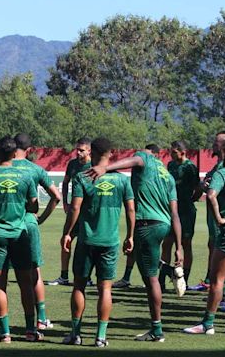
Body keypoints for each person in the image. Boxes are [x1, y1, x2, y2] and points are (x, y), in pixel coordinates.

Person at [85, 143, 183, 342]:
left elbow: (135, 160)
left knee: (150, 280)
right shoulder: (167, 175)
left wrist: (105, 168)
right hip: (163, 225)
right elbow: (175, 213)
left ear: (152, 154)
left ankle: (157, 330)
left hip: (146, 224)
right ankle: (168, 270)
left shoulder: (144, 158)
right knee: (147, 264)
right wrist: (179, 247)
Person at [0, 133, 61, 331]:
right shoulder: (33, 170)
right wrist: (39, 219)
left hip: (0, 227)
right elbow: (55, 197)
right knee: (33, 274)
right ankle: (39, 319)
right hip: (26, 226)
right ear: (27, 150)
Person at [62, 137, 135, 347]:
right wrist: (130, 236)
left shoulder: (82, 177)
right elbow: (131, 209)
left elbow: (75, 208)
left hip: (86, 240)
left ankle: (76, 335)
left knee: (79, 286)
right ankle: (101, 337)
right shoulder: (122, 180)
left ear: (91, 152)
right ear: (111, 153)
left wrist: (67, 233)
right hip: (110, 242)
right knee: (105, 289)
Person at [183, 135, 225, 335]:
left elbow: (210, 195)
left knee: (217, 278)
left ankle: (208, 324)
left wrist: (218, 218)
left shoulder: (224, 173)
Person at [189, 131, 225, 293]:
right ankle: (210, 281)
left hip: (222, 214)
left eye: (217, 142)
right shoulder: (218, 164)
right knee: (212, 245)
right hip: (212, 215)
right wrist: (204, 185)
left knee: (223, 249)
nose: (214, 145)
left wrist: (210, 188)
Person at [113, 143, 161, 289]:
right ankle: (128, 278)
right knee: (135, 246)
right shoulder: (150, 170)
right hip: (146, 214)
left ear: (155, 155)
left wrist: (106, 167)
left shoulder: (155, 168)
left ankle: (158, 278)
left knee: (145, 248)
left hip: (150, 216)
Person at [49, 137, 91, 286]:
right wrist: (66, 202)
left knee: (87, 244)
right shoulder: (72, 164)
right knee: (65, 241)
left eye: (81, 150)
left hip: (89, 213)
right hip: (74, 211)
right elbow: (66, 182)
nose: (78, 152)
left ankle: (87, 277)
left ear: (89, 151)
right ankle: (64, 276)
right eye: (77, 149)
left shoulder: (94, 166)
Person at [159, 141, 199, 290]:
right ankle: (162, 279)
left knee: (185, 244)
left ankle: (184, 280)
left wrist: (190, 200)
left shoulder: (190, 168)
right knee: (167, 243)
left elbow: (198, 188)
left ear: (183, 152)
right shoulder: (170, 166)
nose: (171, 154)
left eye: (174, 152)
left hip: (186, 212)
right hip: (172, 210)